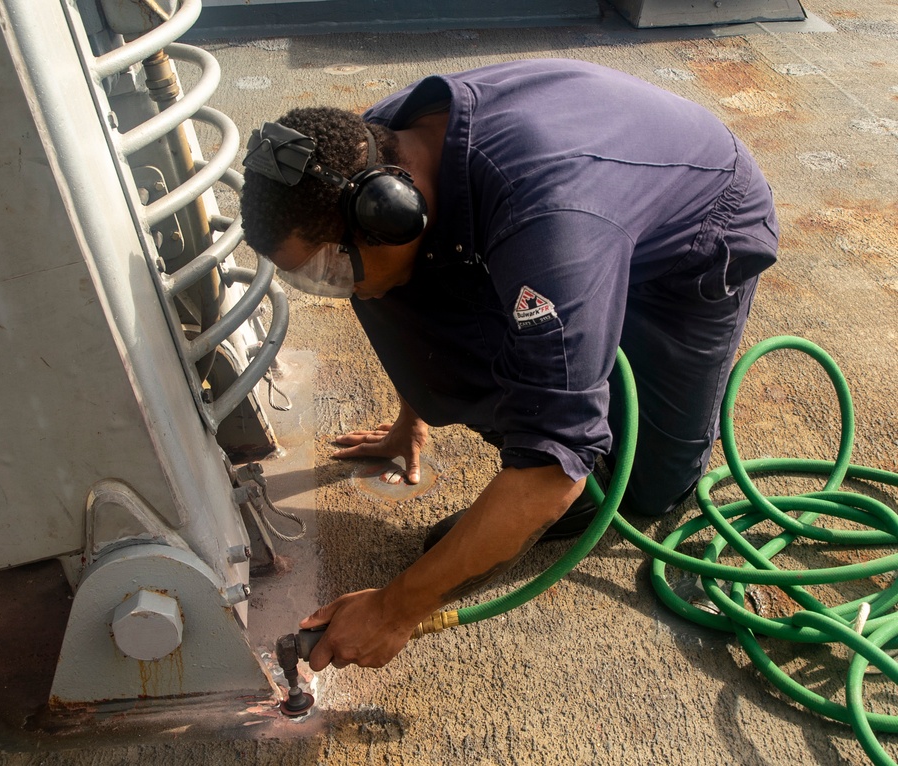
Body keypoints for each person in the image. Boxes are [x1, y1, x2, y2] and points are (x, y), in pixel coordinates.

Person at [239, 58, 779, 672]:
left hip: (699, 228)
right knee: (386, 284)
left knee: (649, 488)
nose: (334, 289)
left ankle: (579, 451)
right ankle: (563, 393)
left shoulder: (549, 226)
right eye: (309, 275)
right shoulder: (368, 162)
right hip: (576, 211)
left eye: (329, 269)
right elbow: (392, 300)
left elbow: (553, 471)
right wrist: (409, 416)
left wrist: (397, 608)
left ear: (392, 211)